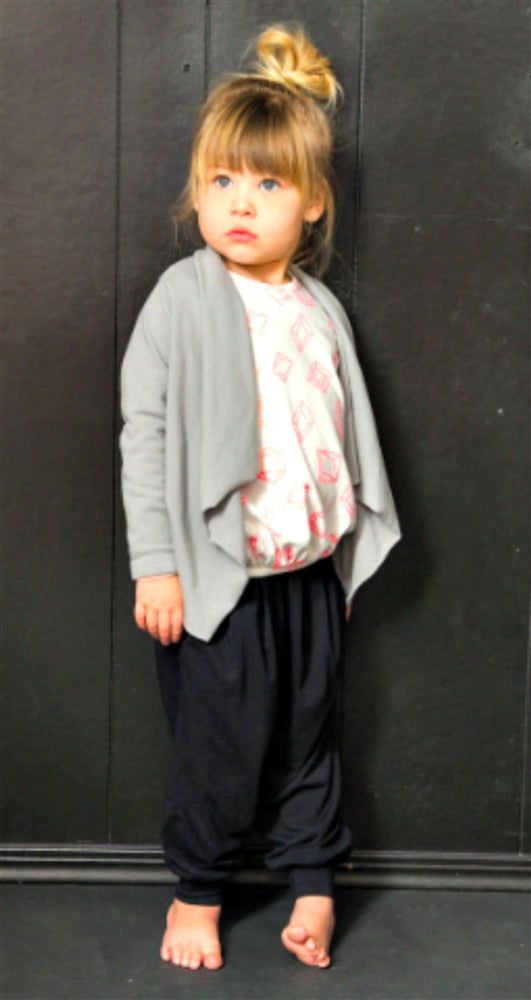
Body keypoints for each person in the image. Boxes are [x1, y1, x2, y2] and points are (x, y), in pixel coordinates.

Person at [120, 24, 400, 972]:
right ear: (199, 192)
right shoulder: (183, 297)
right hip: (219, 579)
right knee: (221, 743)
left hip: (308, 575)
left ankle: (312, 878)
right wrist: (157, 565)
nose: (240, 203)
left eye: (269, 184)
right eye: (222, 181)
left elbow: (340, 442)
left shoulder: (319, 309)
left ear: (313, 201)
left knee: (309, 734)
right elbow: (146, 435)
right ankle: (197, 892)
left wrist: (344, 559)